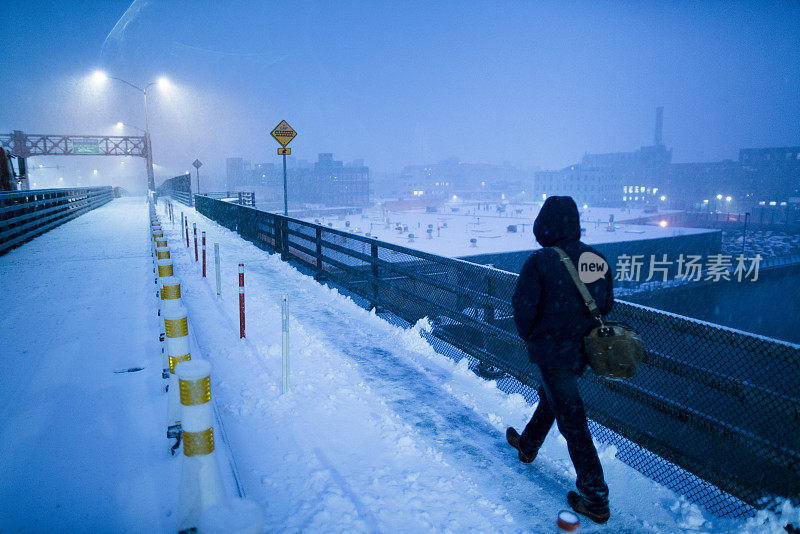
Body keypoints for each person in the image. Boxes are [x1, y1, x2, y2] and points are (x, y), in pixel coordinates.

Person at [506, 195, 613, 524]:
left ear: (544, 224)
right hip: (581, 351)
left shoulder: (539, 262)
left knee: (573, 422)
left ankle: (596, 501)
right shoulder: (595, 259)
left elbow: (523, 309)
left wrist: (535, 338)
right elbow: (605, 304)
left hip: (552, 351)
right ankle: (527, 444)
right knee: (555, 399)